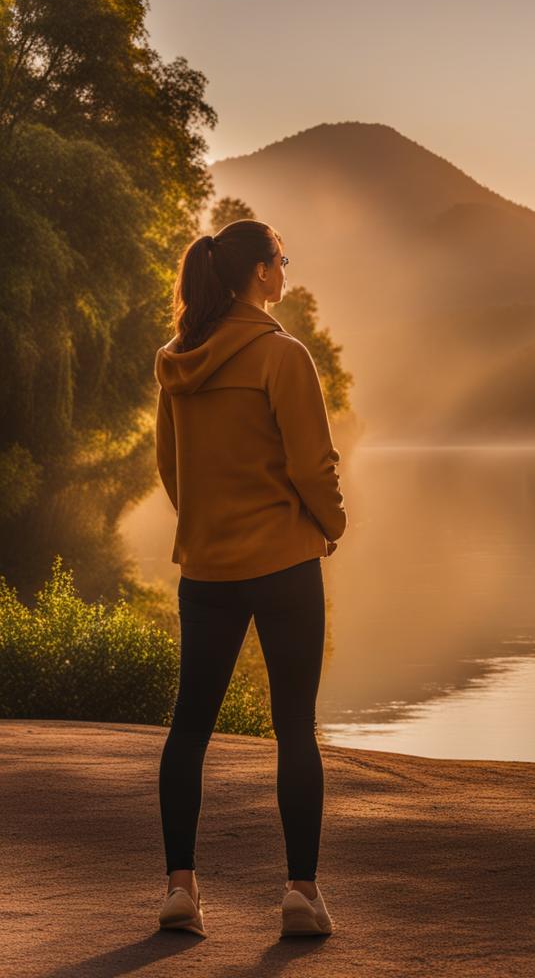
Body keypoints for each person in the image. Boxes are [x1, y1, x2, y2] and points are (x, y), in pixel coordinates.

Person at [153, 218, 348, 938]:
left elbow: (170, 469)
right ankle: (300, 894)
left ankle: (180, 890)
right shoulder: (281, 355)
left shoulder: (176, 360)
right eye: (282, 260)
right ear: (263, 275)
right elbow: (310, 464)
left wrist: (208, 527)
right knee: (295, 729)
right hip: (287, 563)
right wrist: (332, 525)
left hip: (206, 567)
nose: (286, 270)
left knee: (189, 727)